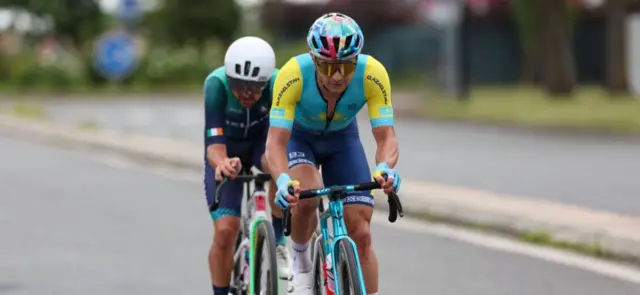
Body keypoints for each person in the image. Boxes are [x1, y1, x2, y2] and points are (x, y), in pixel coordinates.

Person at [265, 12, 402, 295]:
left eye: (346, 65)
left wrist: (385, 167)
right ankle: (301, 265)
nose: (338, 76)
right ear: (314, 60)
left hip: (342, 140)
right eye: (328, 68)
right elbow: (276, 143)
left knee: (361, 233)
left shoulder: (373, 74)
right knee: (306, 194)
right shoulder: (292, 74)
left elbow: (386, 137)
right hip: (299, 140)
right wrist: (280, 180)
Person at [203, 36, 292, 295]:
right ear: (228, 78)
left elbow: (281, 142)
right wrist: (222, 163)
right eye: (238, 85)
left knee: (278, 168)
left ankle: (278, 240)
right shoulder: (216, 84)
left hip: (262, 145)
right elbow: (214, 146)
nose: (245, 94)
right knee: (225, 230)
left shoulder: (279, 83)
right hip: (226, 149)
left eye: (255, 87)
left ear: (266, 82)